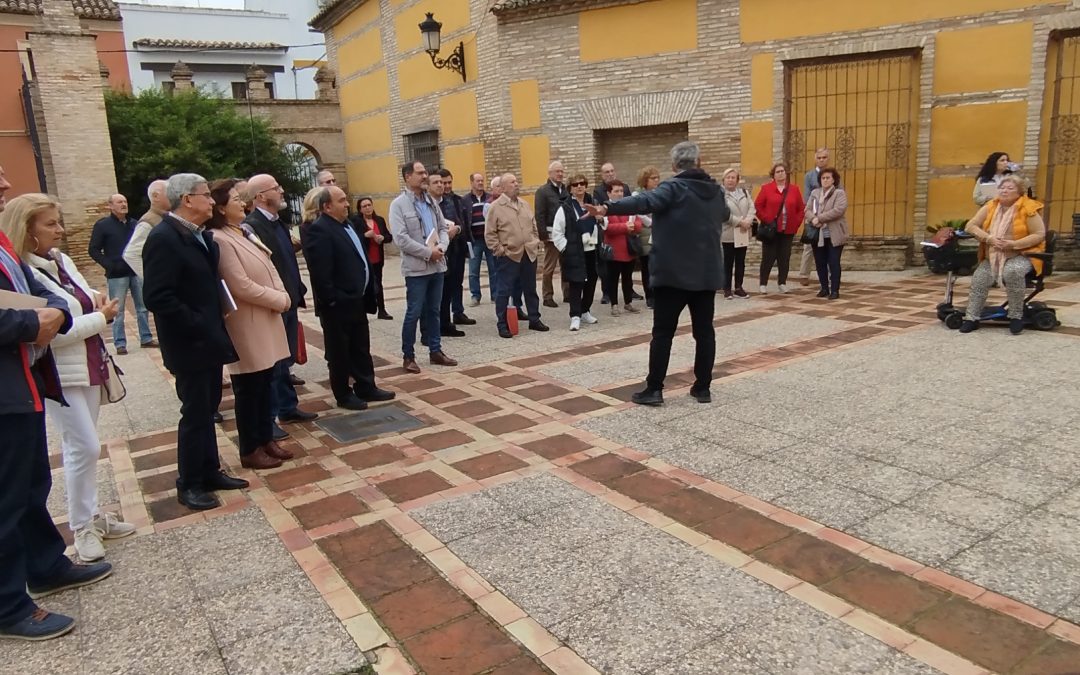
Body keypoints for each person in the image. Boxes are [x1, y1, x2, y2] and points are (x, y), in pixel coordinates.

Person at [0, 166, 113, 642]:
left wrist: (55, 312)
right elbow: (29, 312)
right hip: (6, 385)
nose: (6, 186)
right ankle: (8, 608)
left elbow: (49, 297)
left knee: (29, 485)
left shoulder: (5, 248)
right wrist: (31, 325)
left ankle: (44, 566)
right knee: (5, 498)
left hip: (21, 382)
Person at [8, 194, 133, 563]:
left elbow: (81, 298)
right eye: (50, 224)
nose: (60, 230)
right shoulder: (24, 270)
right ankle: (81, 527)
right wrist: (101, 317)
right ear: (28, 231)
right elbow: (52, 330)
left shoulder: (59, 260)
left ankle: (93, 515)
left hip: (86, 361)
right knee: (84, 446)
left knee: (87, 442)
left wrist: (94, 304)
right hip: (58, 372)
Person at [587, 141, 727, 407]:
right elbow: (725, 214)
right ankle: (702, 388)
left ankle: (654, 389)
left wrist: (607, 208)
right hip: (706, 274)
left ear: (675, 165)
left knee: (663, 333)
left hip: (672, 274)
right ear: (698, 161)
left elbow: (643, 201)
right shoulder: (715, 191)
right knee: (705, 332)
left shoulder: (673, 188)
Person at [142, 173, 249, 511]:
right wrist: (199, 322)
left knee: (207, 409)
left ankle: (209, 470)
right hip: (189, 343)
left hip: (208, 339)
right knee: (194, 413)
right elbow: (157, 296)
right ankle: (188, 483)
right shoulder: (164, 238)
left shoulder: (196, 234)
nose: (212, 202)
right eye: (206, 195)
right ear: (187, 200)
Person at [207, 179, 293, 471]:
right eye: (233, 200)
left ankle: (266, 437)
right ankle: (250, 447)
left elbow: (269, 265)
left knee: (266, 381)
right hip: (247, 321)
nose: (241, 204)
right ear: (220, 208)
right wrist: (278, 300)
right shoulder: (219, 238)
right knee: (249, 387)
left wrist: (283, 293)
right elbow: (240, 285)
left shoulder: (242, 232)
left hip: (265, 317)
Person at [303, 186, 397, 407]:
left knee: (360, 346)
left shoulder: (348, 224)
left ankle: (366, 386)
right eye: (341, 200)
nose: (347, 204)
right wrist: (333, 299)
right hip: (338, 304)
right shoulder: (321, 230)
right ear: (327, 206)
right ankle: (343, 394)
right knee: (339, 351)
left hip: (357, 300)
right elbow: (320, 272)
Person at [243, 174, 318, 433]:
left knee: (285, 359)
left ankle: (288, 407)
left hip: (288, 300)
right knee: (273, 362)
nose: (282, 191)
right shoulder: (251, 227)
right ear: (261, 196)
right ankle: (271, 416)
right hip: (272, 304)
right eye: (276, 188)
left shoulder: (278, 223)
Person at [389, 162, 457, 373]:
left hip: (437, 266)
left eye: (425, 172)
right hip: (417, 269)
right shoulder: (398, 205)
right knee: (414, 312)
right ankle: (408, 356)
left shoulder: (431, 202)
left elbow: (443, 229)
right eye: (420, 173)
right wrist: (428, 252)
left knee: (434, 311)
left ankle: (435, 350)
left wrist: (442, 248)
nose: (425, 176)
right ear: (408, 177)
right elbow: (401, 239)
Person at [960, 174, 1046, 335]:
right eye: (1002, 187)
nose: (1004, 190)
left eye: (1010, 188)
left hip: (1022, 254)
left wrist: (1014, 244)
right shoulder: (991, 205)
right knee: (979, 279)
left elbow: (1039, 234)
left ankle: (1015, 316)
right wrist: (988, 238)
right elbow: (970, 226)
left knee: (1012, 272)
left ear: (1019, 192)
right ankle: (971, 318)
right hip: (993, 254)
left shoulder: (1029, 208)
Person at [88, 193, 155, 355]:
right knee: (118, 309)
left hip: (136, 271)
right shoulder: (103, 225)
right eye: (119, 202)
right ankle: (120, 343)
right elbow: (93, 250)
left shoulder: (135, 224)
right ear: (110, 206)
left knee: (143, 307)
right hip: (117, 274)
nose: (123, 204)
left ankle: (146, 338)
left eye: (125, 201)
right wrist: (109, 265)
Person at [485, 173, 549, 338]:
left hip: (528, 253)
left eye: (516, 181)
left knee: (530, 289)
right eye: (512, 182)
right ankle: (502, 323)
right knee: (504, 290)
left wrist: (535, 242)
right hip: (509, 255)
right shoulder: (495, 207)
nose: (516, 184)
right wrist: (500, 250)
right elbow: (490, 234)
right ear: (503, 187)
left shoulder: (525, 204)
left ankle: (534, 319)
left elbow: (533, 225)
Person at [552, 174, 600, 331]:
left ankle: (585, 310)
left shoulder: (592, 203)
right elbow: (557, 232)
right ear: (570, 189)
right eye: (575, 184)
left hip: (592, 249)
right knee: (576, 283)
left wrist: (600, 219)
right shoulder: (565, 207)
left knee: (591, 281)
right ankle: (575, 315)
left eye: (582, 183)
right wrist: (566, 247)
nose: (579, 186)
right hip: (575, 250)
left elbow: (602, 221)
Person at [754, 162, 805, 294]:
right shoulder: (766, 188)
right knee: (768, 257)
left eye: (782, 171)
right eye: (778, 172)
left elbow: (801, 208)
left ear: (786, 173)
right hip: (771, 229)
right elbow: (758, 206)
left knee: (784, 257)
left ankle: (782, 282)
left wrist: (797, 222)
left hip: (788, 230)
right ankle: (763, 283)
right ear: (773, 175)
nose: (780, 173)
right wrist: (766, 219)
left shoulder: (794, 189)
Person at [437, 169, 476, 333]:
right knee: (445, 285)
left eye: (449, 182)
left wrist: (459, 230)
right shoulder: (435, 203)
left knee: (457, 282)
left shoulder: (458, 200)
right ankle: (442, 319)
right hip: (443, 250)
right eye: (443, 183)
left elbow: (464, 222)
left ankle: (458, 312)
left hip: (459, 246)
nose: (446, 186)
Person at [805, 168, 849, 300]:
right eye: (823, 178)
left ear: (833, 179)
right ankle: (824, 287)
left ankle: (835, 290)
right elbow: (807, 209)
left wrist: (820, 218)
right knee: (820, 262)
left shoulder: (839, 193)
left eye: (828, 178)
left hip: (834, 233)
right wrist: (813, 219)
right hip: (818, 234)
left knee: (834, 262)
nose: (825, 180)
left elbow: (838, 210)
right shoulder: (815, 193)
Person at [601, 183, 643, 316]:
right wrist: (625, 227)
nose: (619, 193)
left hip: (629, 248)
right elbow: (607, 228)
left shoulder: (628, 207)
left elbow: (638, 223)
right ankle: (614, 304)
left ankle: (628, 302)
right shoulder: (605, 208)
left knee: (628, 278)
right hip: (614, 250)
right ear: (609, 193)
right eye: (616, 191)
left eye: (621, 191)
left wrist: (632, 226)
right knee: (613, 279)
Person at [535, 160, 567, 308]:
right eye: (557, 171)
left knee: (567, 264)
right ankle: (547, 296)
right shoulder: (543, 191)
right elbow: (539, 214)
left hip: (566, 234)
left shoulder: (566, 190)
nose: (560, 174)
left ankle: (568, 293)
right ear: (550, 174)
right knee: (549, 267)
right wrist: (543, 236)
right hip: (551, 235)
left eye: (561, 171)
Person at [353, 197, 393, 320]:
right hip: (364, 259)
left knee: (378, 283)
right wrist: (364, 235)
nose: (367, 208)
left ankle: (382, 310)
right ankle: (363, 310)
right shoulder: (356, 221)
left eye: (369, 205)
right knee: (364, 285)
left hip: (377, 258)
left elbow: (389, 236)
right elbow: (353, 238)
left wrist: (383, 238)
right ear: (360, 209)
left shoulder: (379, 220)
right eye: (364, 206)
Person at [122, 179, 168, 279]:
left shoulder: (166, 217)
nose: (174, 197)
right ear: (156, 196)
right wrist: (154, 279)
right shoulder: (148, 221)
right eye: (170, 192)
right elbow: (131, 254)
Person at [721, 168, 755, 299]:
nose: (730, 180)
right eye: (728, 177)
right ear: (723, 180)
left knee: (741, 261)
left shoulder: (744, 193)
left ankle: (739, 287)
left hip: (742, 232)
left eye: (733, 177)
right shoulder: (720, 195)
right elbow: (722, 213)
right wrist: (739, 222)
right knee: (728, 262)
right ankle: (727, 288)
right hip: (728, 233)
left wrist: (748, 221)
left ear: (737, 180)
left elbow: (752, 207)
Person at [464, 172, 496, 307]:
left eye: (482, 180)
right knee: (473, 270)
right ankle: (475, 296)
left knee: (493, 268)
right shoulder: (465, 200)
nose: (481, 183)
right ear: (472, 183)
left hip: (489, 239)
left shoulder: (490, 198)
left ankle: (495, 295)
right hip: (474, 240)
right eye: (478, 181)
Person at [799, 147, 829, 286]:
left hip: (828, 216)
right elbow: (806, 198)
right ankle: (804, 274)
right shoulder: (809, 176)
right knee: (809, 245)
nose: (821, 160)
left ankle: (828, 273)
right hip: (812, 214)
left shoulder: (832, 175)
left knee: (829, 244)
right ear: (815, 159)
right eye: (819, 157)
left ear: (828, 159)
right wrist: (812, 216)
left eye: (824, 157)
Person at [633, 166, 660, 309]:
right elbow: (638, 211)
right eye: (653, 178)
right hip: (645, 232)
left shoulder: (659, 193)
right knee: (647, 265)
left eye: (657, 178)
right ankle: (649, 295)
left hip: (658, 233)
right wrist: (651, 222)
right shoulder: (638, 194)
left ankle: (659, 293)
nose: (656, 181)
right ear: (645, 180)